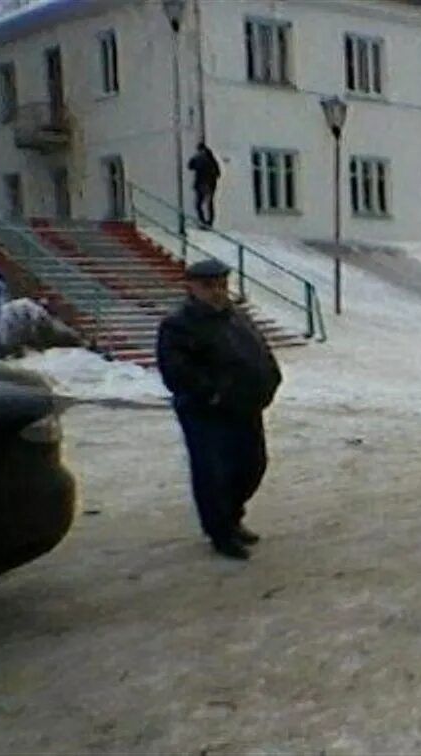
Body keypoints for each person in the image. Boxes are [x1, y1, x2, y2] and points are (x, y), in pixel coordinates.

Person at [156, 259, 282, 560]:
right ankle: (220, 532)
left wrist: (271, 378)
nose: (217, 292)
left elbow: (260, 351)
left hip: (245, 405)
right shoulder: (178, 325)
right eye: (208, 286)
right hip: (206, 412)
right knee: (214, 474)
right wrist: (213, 393)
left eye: (222, 285)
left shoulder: (236, 317)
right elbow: (176, 371)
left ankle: (233, 516)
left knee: (252, 466)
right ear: (191, 287)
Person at [187, 142, 221, 229]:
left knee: (199, 204)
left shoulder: (200, 158)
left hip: (202, 184)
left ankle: (204, 222)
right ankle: (209, 222)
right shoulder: (211, 158)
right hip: (210, 184)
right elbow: (218, 173)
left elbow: (190, 166)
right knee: (208, 204)